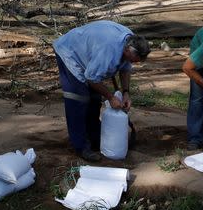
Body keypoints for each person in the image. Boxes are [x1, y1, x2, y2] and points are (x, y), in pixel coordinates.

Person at [53, 21, 151, 161]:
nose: (133, 63)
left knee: (94, 99)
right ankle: (81, 147)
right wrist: (111, 97)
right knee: (78, 99)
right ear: (128, 50)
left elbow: (125, 68)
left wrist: (126, 92)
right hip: (69, 52)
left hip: (89, 54)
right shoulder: (108, 50)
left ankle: (94, 138)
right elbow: (92, 78)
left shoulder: (131, 40)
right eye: (133, 60)